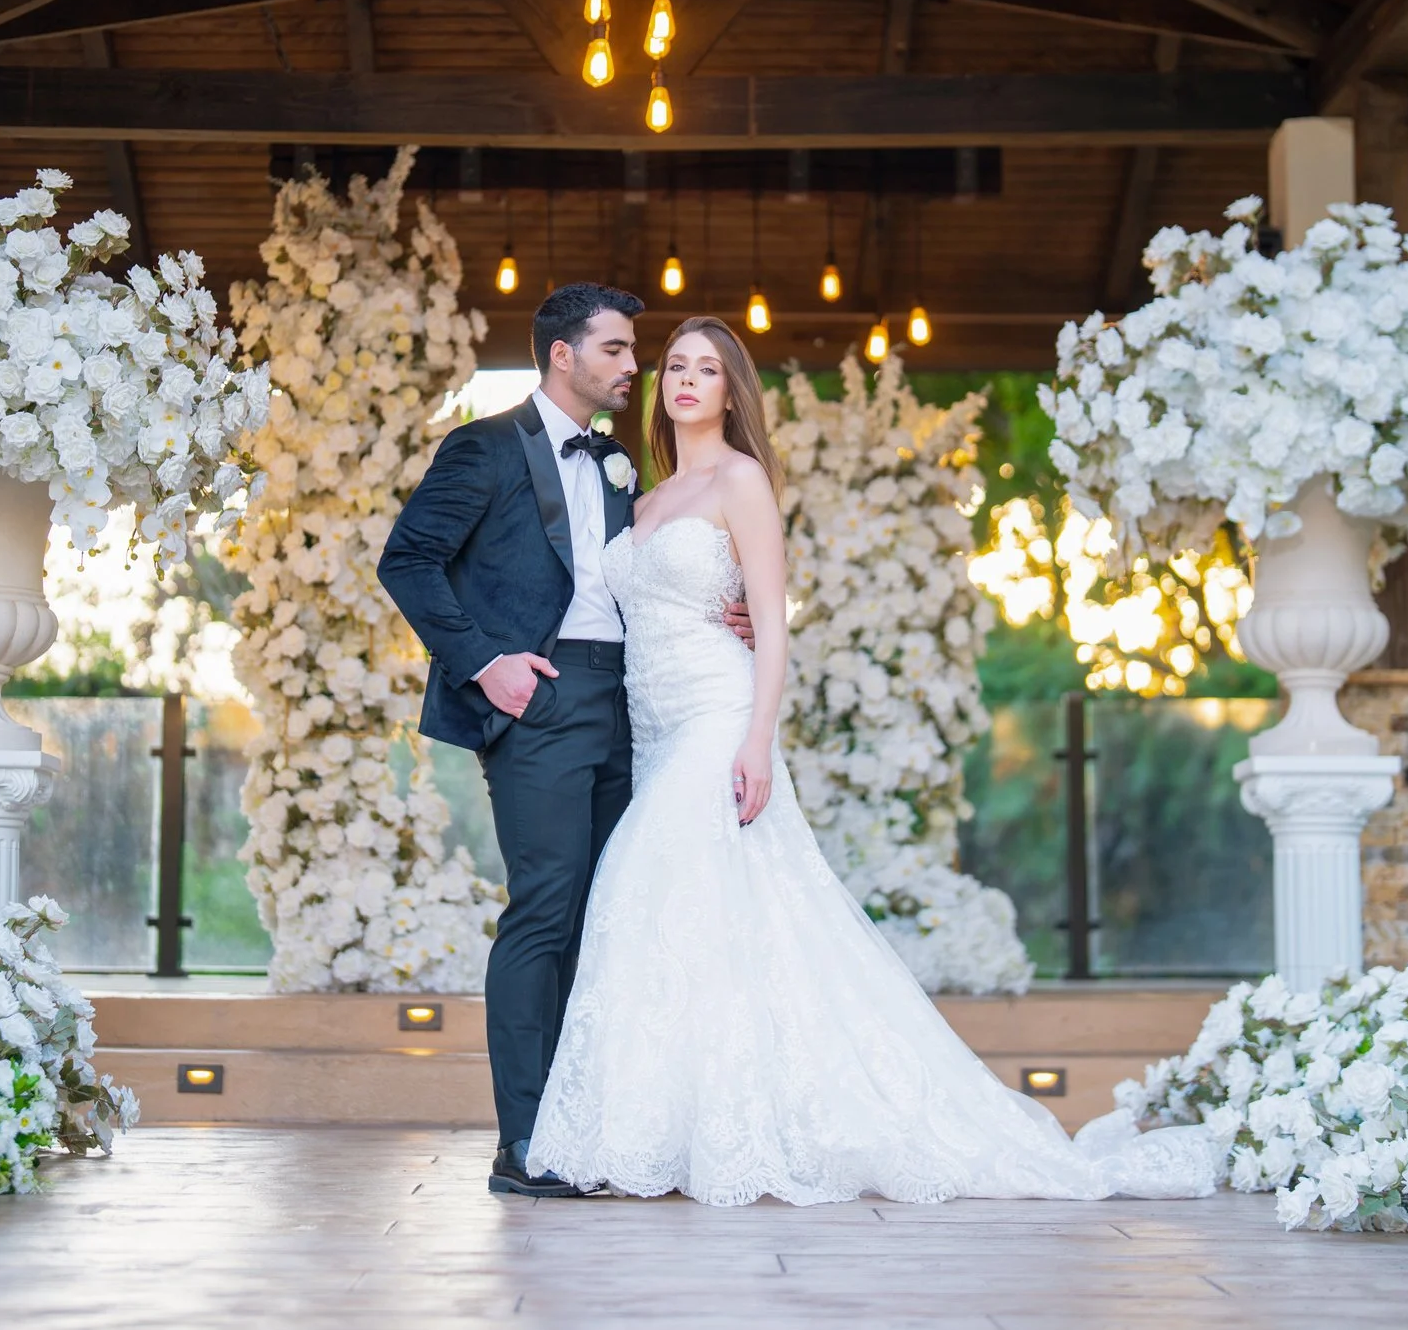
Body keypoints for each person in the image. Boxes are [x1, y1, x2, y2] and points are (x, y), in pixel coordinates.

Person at [521, 316, 1221, 1206]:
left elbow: (771, 621)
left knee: (638, 884)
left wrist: (757, 739)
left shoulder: (742, 482)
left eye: (708, 369)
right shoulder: (643, 494)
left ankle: (702, 1133)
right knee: (712, 920)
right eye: (676, 368)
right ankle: (688, 1128)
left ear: (734, 390)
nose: (687, 381)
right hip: (649, 732)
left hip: (717, 718)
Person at [377, 284, 752, 1196]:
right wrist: (484, 663)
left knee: (609, 914)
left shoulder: (624, 465)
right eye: (619, 350)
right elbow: (407, 559)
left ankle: (589, 1129)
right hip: (538, 697)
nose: (637, 368)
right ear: (562, 355)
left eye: (636, 353)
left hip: (636, 701)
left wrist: (719, 615)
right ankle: (525, 1144)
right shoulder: (484, 445)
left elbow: (649, 574)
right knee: (544, 911)